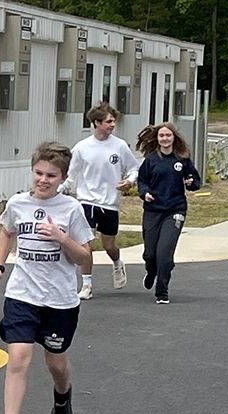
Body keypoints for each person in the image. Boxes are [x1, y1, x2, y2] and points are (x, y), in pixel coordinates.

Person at [0, 142, 94, 414]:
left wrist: (61, 238)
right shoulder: (18, 203)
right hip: (22, 295)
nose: (43, 180)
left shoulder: (71, 209)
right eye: (38, 173)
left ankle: (63, 396)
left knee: (55, 363)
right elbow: (6, 232)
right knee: (17, 358)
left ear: (62, 178)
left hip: (59, 301)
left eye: (51, 175)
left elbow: (86, 257)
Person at [62, 102, 138, 299]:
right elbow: (70, 175)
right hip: (87, 201)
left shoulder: (119, 146)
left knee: (108, 245)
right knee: (87, 243)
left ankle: (117, 263)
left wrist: (129, 181)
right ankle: (86, 285)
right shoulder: (82, 147)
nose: (112, 124)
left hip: (110, 203)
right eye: (108, 121)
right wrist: (58, 190)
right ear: (97, 123)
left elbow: (133, 168)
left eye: (113, 121)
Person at [135, 122, 202, 304]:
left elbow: (196, 180)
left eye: (168, 135)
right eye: (161, 136)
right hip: (153, 210)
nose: (165, 139)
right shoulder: (151, 160)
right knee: (151, 254)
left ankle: (162, 291)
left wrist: (190, 182)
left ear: (174, 138)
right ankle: (152, 270)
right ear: (157, 139)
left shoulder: (182, 159)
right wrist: (145, 193)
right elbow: (142, 181)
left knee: (165, 252)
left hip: (175, 209)